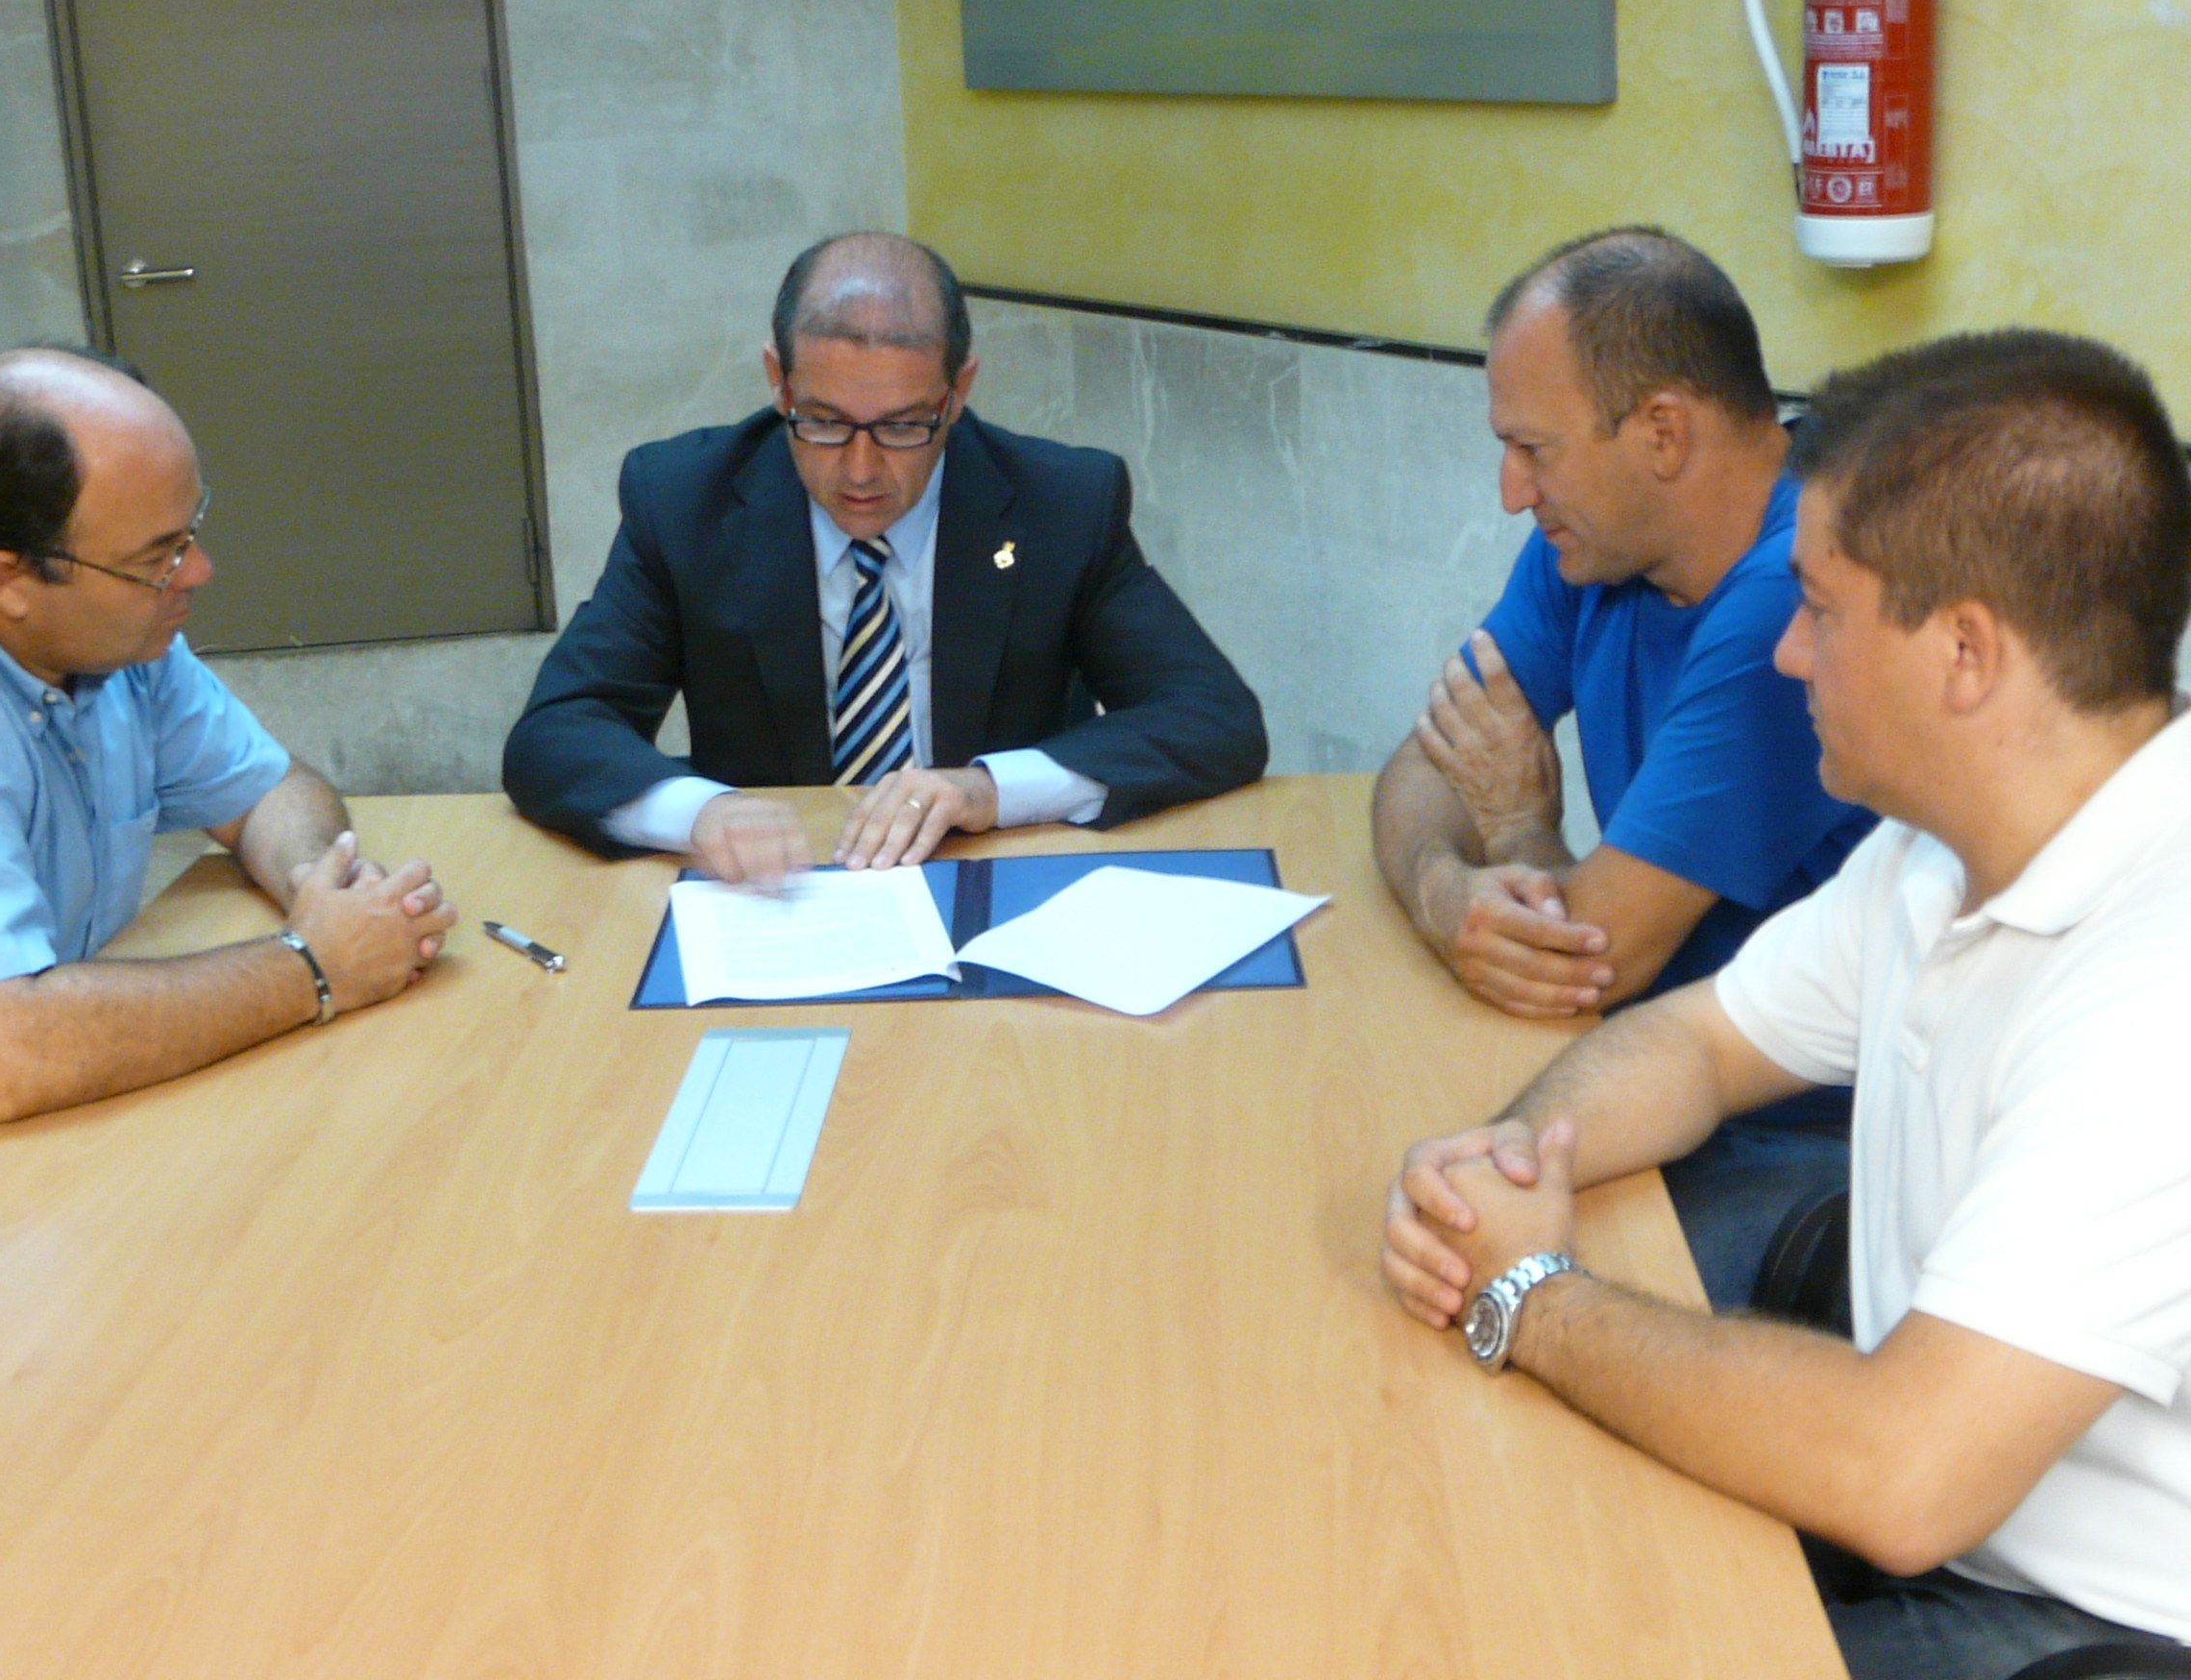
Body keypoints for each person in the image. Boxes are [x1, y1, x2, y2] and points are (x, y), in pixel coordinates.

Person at [1381, 329, 2191, 1680]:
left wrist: (1528, 1291)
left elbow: (1905, 1475)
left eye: (1819, 609)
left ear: (1967, 656)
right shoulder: (1942, 842)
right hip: (1935, 1480)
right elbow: (1698, 1043)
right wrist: (1508, 1168)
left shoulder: (2154, 994)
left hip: (2099, 1624)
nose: (1788, 657)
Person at [0, 347, 456, 1282]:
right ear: (8, 577)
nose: (198, 569)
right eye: (159, 556)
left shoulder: (104, 627)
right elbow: (4, 1055)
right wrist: (313, 965)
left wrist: (319, 881)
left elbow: (271, 788)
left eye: (190, 528)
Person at [1371, 227, 1874, 1308]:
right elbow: (1421, 768)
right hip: (1657, 1078)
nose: (1512, 490)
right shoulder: (1593, 540)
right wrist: (1440, 889)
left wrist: (1509, 840)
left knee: (1452, 1279)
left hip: (1802, 1146)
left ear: (1659, 433)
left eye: (1534, 449)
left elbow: (1589, 961)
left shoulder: (1795, 606)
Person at [503, 231, 1268, 884]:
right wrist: (699, 811)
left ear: (958, 391)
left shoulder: (1060, 504)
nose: (862, 470)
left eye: (905, 426)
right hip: (778, 893)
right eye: (826, 423)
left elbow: (1213, 718)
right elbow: (558, 731)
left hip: (989, 878)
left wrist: (988, 790)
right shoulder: (685, 501)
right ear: (779, 380)